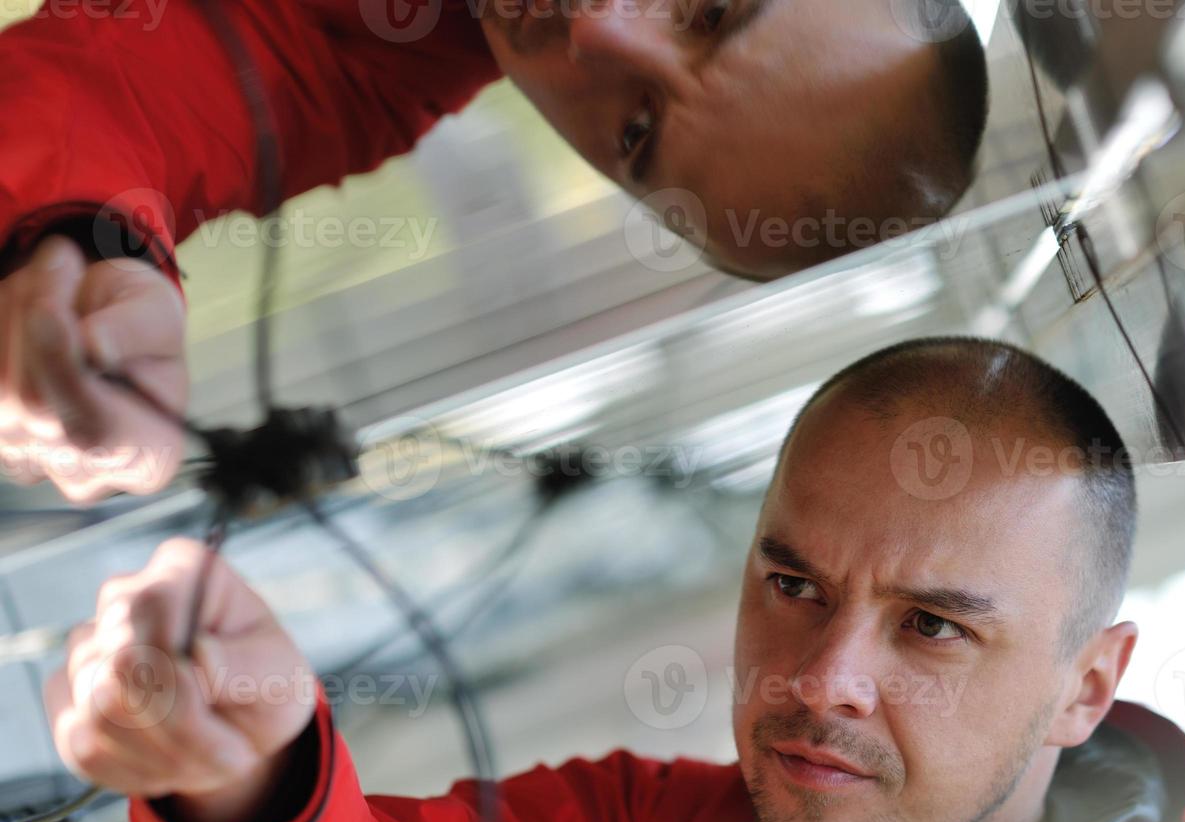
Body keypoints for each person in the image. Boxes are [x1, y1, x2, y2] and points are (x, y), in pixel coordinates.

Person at [46, 337, 1185, 822]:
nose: (818, 677)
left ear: (1085, 684)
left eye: (933, 625)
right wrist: (249, 766)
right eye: (793, 585)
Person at [0, 0, 988, 501]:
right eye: (709, 6)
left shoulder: (374, 59)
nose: (597, 28)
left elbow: (142, 99)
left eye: (636, 131)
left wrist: (84, 250)